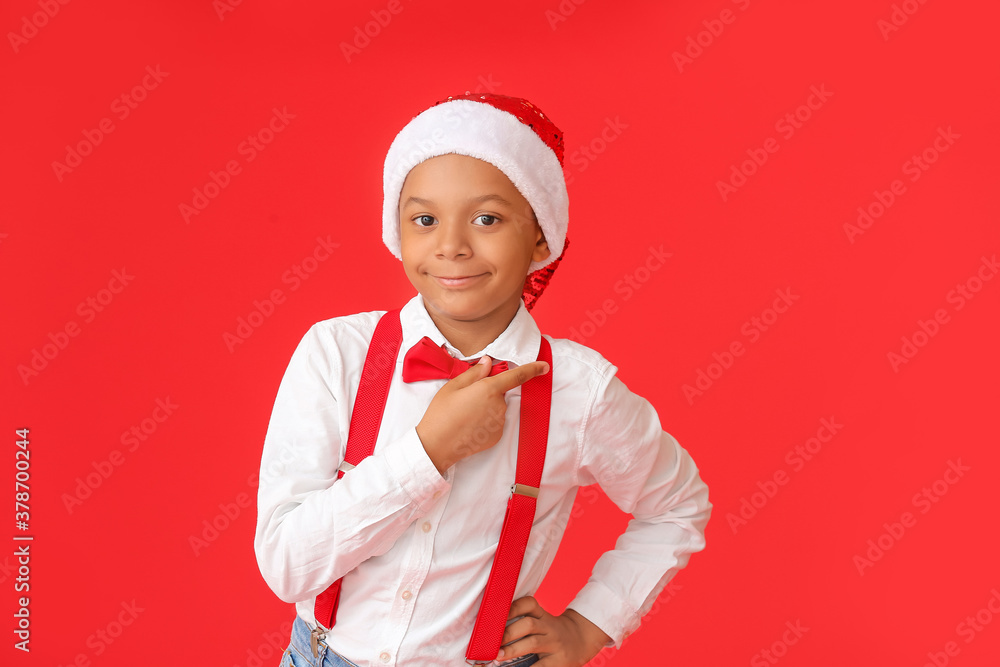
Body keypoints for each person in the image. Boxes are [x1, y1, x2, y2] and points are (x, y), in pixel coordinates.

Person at [254, 92, 711, 667]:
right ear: (398, 232)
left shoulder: (579, 390)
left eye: (487, 219)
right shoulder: (335, 355)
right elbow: (286, 564)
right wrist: (429, 451)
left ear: (541, 237)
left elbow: (677, 505)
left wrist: (590, 625)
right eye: (424, 220)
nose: (451, 246)